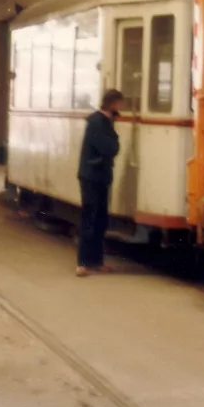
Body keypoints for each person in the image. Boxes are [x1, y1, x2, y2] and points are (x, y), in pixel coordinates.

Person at [76, 89, 124, 277]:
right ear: (112, 104)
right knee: (90, 218)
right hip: (91, 176)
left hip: (101, 176)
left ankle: (96, 261)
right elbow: (109, 148)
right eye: (119, 104)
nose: (120, 108)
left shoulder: (104, 121)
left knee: (100, 220)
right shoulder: (97, 122)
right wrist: (114, 141)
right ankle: (82, 262)